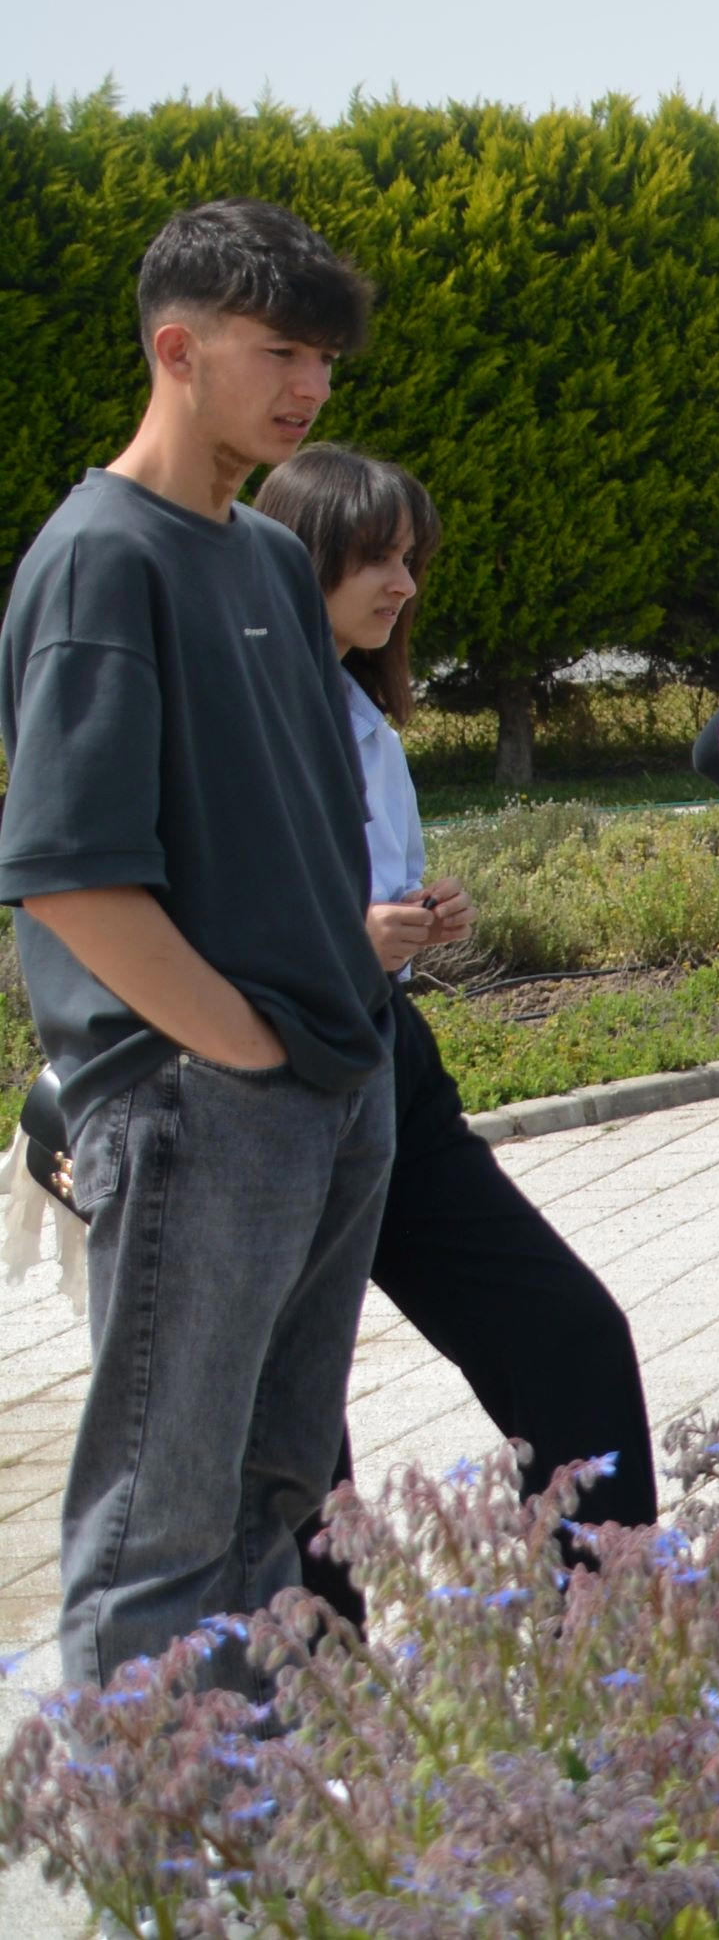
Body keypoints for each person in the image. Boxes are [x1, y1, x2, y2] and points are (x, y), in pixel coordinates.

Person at [0, 203, 399, 1684]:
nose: (312, 387)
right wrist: (234, 1050)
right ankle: (143, 1823)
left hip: (330, 1083)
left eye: (325, 359)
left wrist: (330, 1043)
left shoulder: (268, 561)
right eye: (280, 352)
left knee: (269, 1493)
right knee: (155, 1529)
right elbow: (67, 878)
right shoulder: (101, 559)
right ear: (177, 348)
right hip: (197, 1102)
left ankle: (245, 1801)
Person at [259, 445, 656, 1572]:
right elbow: (210, 911)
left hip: (388, 1059)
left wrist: (418, 918)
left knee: (569, 1334)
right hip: (272, 1079)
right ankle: (315, 1668)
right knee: (296, 1413)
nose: (404, 585)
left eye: (411, 560)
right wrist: (350, 936)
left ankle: (616, 1622)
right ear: (303, 559)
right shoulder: (241, 712)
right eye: (376, 560)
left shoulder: (360, 711)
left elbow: (358, 895)